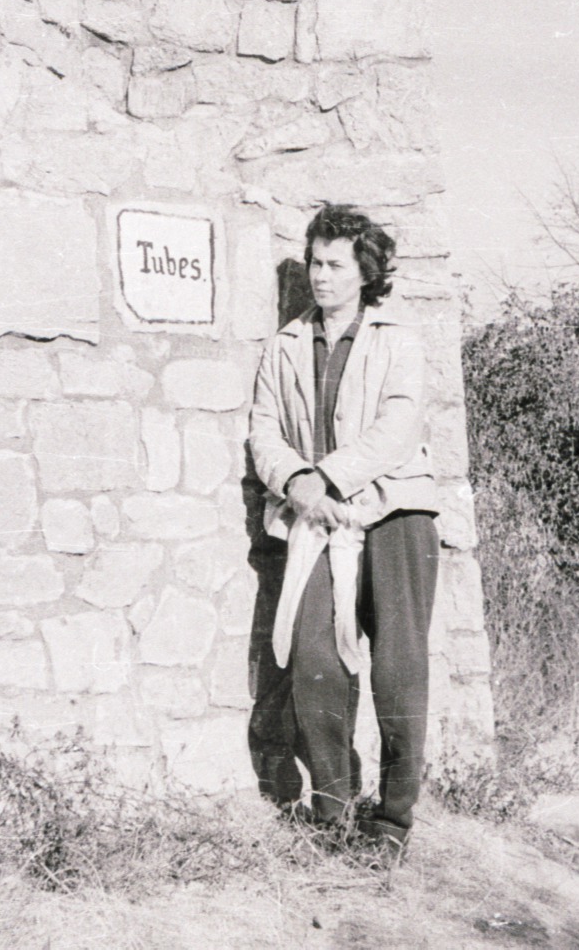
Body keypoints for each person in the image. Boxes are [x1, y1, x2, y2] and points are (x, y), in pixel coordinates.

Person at [247, 204, 441, 858]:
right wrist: (297, 483)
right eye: (313, 263)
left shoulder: (398, 339)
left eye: (334, 265)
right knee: (314, 662)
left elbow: (398, 427)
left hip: (394, 515)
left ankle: (392, 822)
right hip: (315, 520)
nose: (320, 277)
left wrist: (326, 477)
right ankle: (332, 809)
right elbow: (264, 431)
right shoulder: (286, 345)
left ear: (365, 271)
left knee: (398, 672)